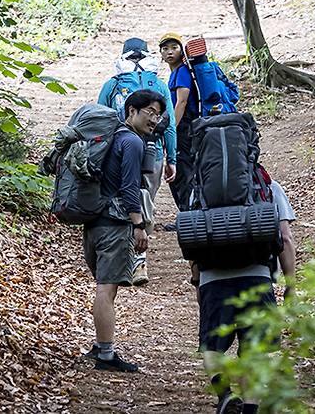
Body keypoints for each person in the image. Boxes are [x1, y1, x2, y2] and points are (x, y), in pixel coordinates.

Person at [83, 89, 166, 373]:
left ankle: (99, 345)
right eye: (150, 112)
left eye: (158, 115)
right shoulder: (131, 141)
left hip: (94, 222)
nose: (154, 119)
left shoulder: (113, 136)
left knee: (105, 287)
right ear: (131, 110)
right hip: (114, 224)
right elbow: (130, 187)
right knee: (107, 288)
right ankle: (106, 355)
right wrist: (138, 225)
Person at [198, 180, 296, 414]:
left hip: (213, 276)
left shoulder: (202, 185)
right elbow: (285, 238)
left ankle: (224, 395)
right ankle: (250, 409)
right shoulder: (268, 185)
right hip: (257, 276)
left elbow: (196, 236)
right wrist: (290, 283)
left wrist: (197, 282)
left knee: (211, 346)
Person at [97, 37, 177, 284]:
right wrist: (172, 158)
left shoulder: (112, 84)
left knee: (121, 199)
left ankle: (125, 256)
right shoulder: (159, 85)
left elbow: (101, 120)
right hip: (153, 153)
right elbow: (170, 124)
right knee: (144, 202)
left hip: (118, 151)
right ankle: (140, 262)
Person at [159, 31, 198, 212]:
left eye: (174, 48)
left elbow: (182, 102)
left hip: (184, 126)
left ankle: (188, 213)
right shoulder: (175, 73)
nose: (169, 52)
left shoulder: (182, 72)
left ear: (182, 51)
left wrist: (171, 131)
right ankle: (186, 211)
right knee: (182, 168)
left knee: (183, 169)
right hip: (181, 125)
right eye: (165, 49)